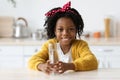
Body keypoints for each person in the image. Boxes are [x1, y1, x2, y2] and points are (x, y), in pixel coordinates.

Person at [28, 1, 98, 75]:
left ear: (76, 30)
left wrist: (69, 66)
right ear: (54, 31)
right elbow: (32, 60)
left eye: (71, 29)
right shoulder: (49, 45)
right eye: (60, 29)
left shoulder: (81, 45)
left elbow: (92, 61)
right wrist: (42, 66)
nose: (65, 33)